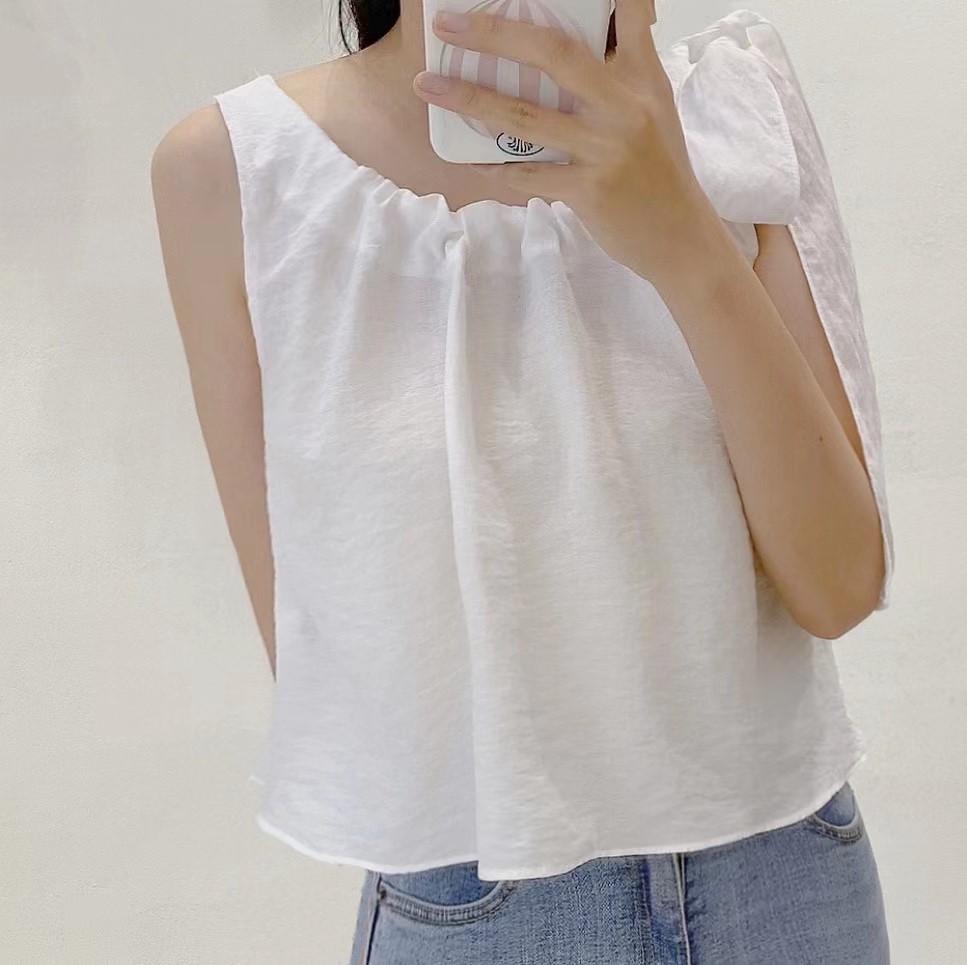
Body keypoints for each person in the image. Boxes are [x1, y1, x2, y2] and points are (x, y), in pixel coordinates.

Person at [150, 1, 895, 961]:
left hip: (786, 884)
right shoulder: (238, 171)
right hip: (474, 904)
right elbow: (333, 680)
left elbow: (840, 584)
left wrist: (683, 237)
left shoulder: (730, 110)